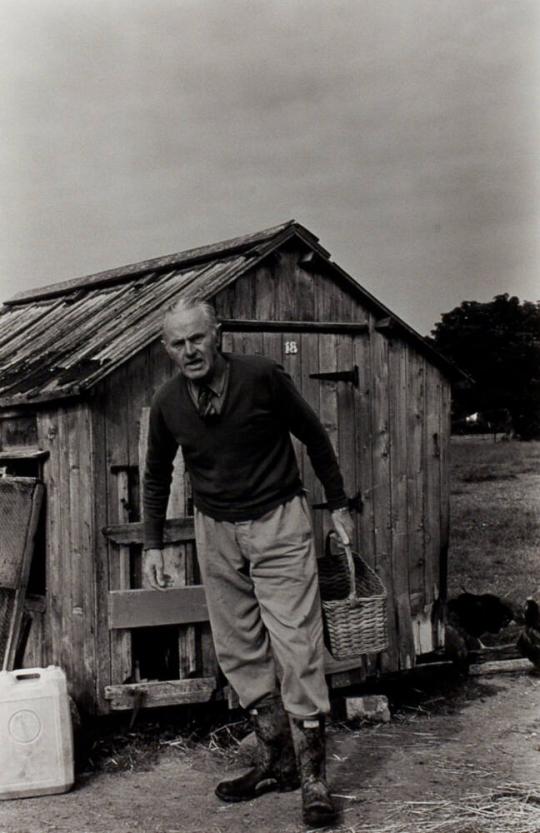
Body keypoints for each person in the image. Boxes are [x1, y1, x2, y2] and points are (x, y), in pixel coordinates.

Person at [143, 297, 354, 828]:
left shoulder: (262, 377)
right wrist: (151, 545)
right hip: (215, 529)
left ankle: (314, 784)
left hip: (278, 520)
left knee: (297, 644)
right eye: (177, 343)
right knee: (238, 648)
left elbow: (314, 435)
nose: (189, 350)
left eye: (197, 338)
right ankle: (275, 762)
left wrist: (339, 506)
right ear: (166, 349)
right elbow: (154, 474)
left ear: (217, 334)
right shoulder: (167, 402)